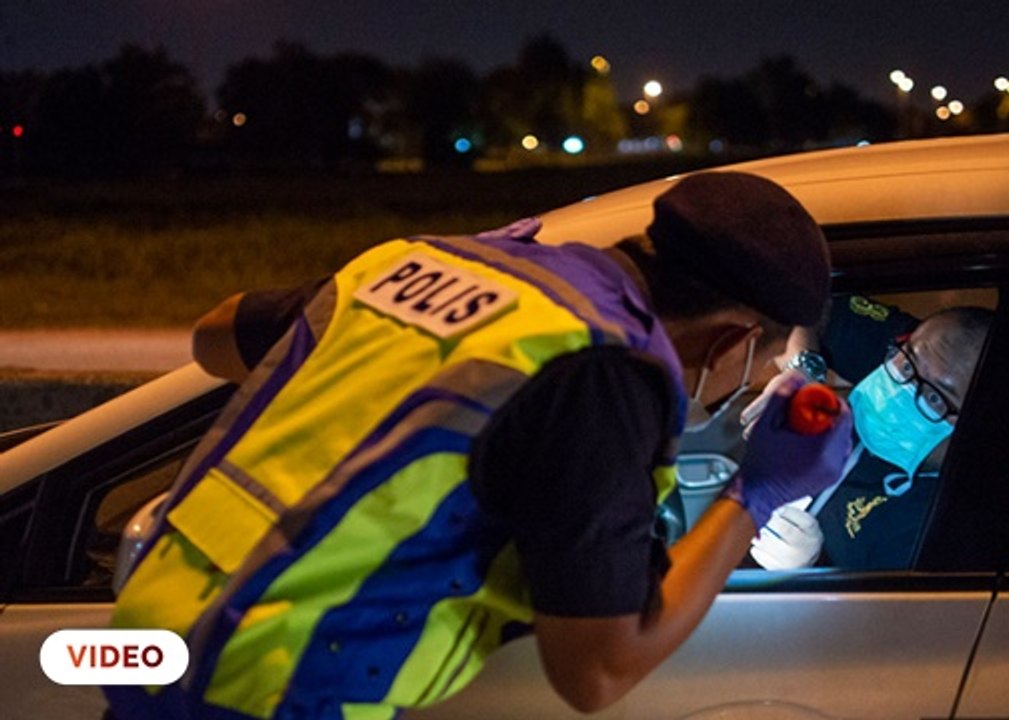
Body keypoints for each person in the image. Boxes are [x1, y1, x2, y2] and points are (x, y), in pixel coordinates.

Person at [105, 172, 852, 719]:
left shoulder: (415, 264)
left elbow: (213, 336)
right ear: (734, 340)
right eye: (753, 369)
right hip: (273, 696)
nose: (738, 388)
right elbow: (597, 671)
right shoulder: (601, 378)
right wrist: (755, 494)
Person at [745, 298, 991, 571]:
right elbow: (794, 301)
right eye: (907, 367)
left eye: (933, 397)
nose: (902, 391)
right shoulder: (922, 349)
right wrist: (803, 370)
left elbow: (888, 611)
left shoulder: (939, 530)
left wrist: (809, 570)